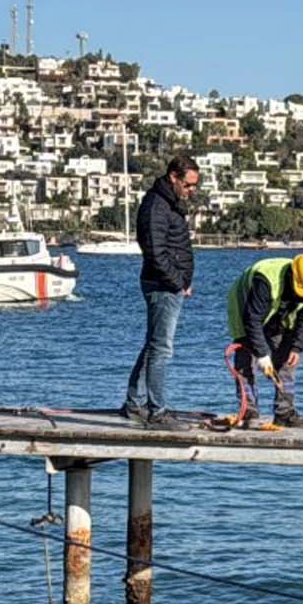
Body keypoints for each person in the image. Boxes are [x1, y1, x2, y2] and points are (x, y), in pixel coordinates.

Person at [123, 155, 201, 425]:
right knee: (161, 350)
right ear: (174, 178)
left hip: (168, 285)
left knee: (153, 345)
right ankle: (157, 411)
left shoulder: (168, 204)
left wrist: (182, 281)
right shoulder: (157, 206)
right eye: (189, 185)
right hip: (162, 286)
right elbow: (156, 252)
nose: (192, 190)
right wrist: (178, 282)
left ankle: (135, 402)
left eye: (194, 186)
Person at [222, 251, 303, 429]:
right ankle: (249, 412)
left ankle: (285, 413)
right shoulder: (266, 281)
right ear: (292, 275)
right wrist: (262, 355)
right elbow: (252, 320)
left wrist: (297, 347)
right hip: (245, 305)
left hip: (279, 311)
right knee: (247, 361)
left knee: (287, 361)